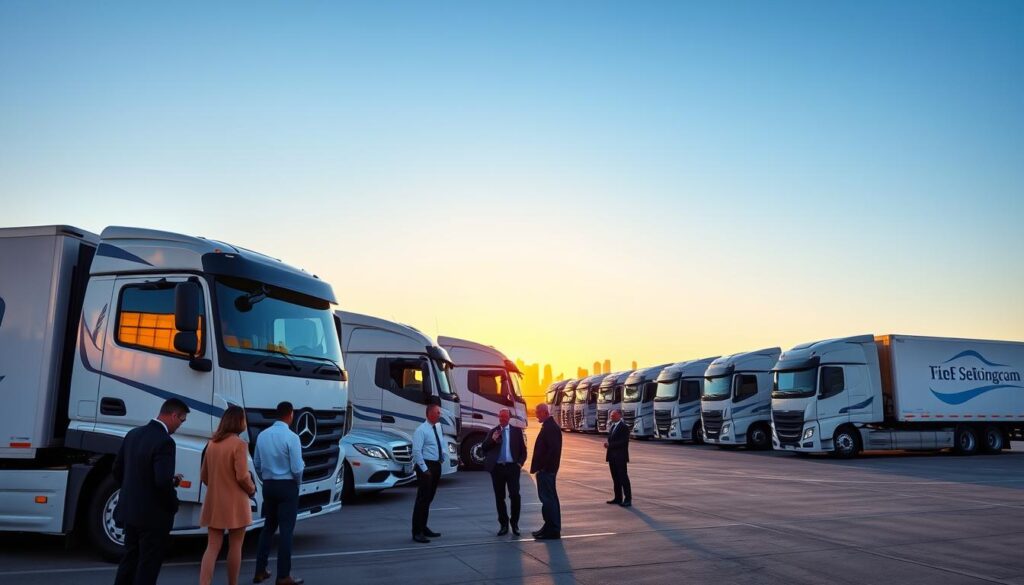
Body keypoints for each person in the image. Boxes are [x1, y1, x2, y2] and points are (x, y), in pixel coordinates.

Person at [112, 398, 189, 585]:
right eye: (182, 420)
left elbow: (117, 470)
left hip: (130, 511)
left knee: (130, 559)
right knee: (148, 565)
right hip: (153, 517)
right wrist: (173, 504)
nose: (180, 425)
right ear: (173, 415)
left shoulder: (133, 434)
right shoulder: (165, 442)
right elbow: (162, 482)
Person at [199, 405, 256, 585]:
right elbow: (242, 476)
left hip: (214, 502)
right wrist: (252, 488)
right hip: (236, 503)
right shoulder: (239, 444)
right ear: (239, 421)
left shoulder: (212, 443)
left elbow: (204, 476)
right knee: (235, 546)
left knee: (212, 547)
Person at [253, 401, 305, 585]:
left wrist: (266, 478)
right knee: (286, 531)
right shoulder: (292, 437)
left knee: (268, 528)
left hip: (269, 485)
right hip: (287, 486)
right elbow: (297, 468)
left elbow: (257, 464)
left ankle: (260, 570)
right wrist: (296, 485)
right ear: (290, 415)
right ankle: (283, 575)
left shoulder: (262, 436)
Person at [481, 408, 527, 536]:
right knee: (499, 497)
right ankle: (504, 524)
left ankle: (515, 524)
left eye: (504, 416)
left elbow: (523, 451)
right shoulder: (493, 431)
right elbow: (484, 448)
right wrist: (493, 440)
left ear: (509, 417)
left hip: (513, 468)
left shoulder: (517, 432)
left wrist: (519, 463)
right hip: (497, 469)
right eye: (500, 416)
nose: (502, 419)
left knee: (515, 496)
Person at [411, 403, 449, 543]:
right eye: (438, 413)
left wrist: (443, 456)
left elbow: (441, 442)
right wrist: (424, 469)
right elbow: (416, 451)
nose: (440, 415)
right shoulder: (421, 430)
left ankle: (423, 526)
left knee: (429, 499)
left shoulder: (437, 427)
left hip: (435, 464)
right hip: (426, 466)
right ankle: (417, 531)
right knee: (422, 499)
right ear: (430, 414)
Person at [530, 403, 562, 540]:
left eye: (537, 412)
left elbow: (553, 451)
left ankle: (553, 529)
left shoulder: (551, 428)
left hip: (547, 471)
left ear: (544, 412)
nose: (536, 415)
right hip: (546, 470)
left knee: (549, 500)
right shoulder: (548, 426)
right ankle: (548, 526)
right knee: (547, 500)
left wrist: (544, 468)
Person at [604, 409, 632, 507]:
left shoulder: (624, 427)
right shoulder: (612, 426)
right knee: (615, 478)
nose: (612, 417)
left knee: (623, 478)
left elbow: (624, 442)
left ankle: (628, 499)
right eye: (611, 415)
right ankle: (618, 498)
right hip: (612, 457)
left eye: (614, 415)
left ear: (619, 416)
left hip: (620, 457)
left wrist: (610, 445)